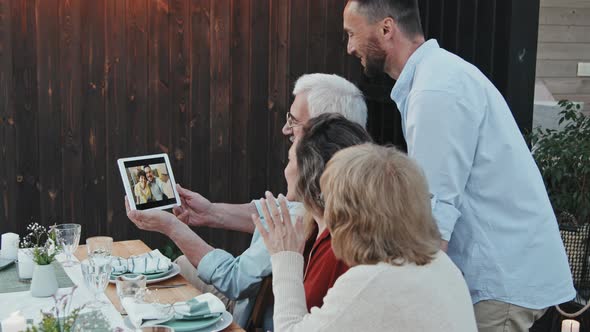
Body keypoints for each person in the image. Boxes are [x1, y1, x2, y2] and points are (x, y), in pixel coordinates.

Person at [342, 1, 575, 330]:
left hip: (496, 281)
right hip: (498, 275)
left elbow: (434, 211)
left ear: (386, 28)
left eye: (352, 34)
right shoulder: (436, 77)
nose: (350, 47)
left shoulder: (435, 88)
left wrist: (406, 300)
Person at [126, 73, 368, 330]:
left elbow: (234, 279)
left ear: (323, 131)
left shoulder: (309, 217)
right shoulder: (341, 202)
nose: (286, 129)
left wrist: (172, 228)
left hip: (250, 317)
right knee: (182, 266)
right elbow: (271, 213)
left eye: (294, 122)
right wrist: (210, 212)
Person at [253, 143, 478, 332]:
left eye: (329, 200)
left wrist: (285, 257)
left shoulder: (373, 280)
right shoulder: (441, 264)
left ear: (350, 216)